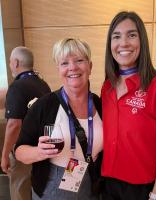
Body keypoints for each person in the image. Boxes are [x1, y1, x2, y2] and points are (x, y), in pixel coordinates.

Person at [101, 11, 156, 200]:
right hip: (108, 184)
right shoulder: (107, 86)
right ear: (110, 44)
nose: (123, 43)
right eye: (116, 36)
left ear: (142, 41)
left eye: (131, 35)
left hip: (144, 188)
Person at [15, 38, 103, 200]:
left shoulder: (99, 103)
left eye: (79, 60)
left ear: (90, 67)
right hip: (52, 185)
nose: (72, 67)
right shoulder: (44, 106)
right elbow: (19, 151)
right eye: (64, 63)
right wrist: (38, 152)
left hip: (91, 181)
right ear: (58, 69)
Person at [0, 46, 51, 200]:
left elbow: (14, 124)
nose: (10, 66)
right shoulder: (43, 84)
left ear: (15, 63)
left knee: (19, 191)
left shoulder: (17, 86)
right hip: (41, 149)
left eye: (9, 62)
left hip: (23, 150)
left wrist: (4, 155)